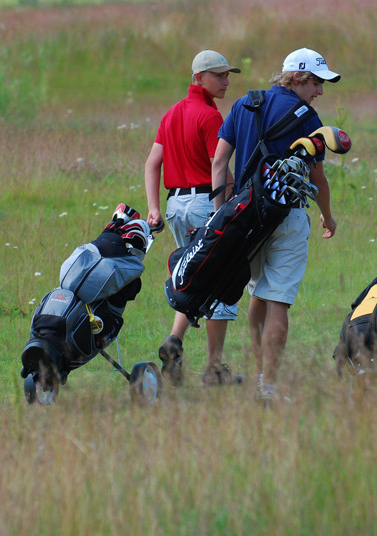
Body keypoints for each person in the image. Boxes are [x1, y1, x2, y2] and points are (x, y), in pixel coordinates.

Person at [212, 48, 340, 403]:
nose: (320, 91)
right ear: (297, 78)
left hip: (244, 218)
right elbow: (318, 177)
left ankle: (258, 376)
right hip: (288, 217)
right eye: (316, 82)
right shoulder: (307, 118)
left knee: (258, 294)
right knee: (278, 301)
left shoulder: (244, 104)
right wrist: (327, 215)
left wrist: (220, 214)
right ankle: (268, 387)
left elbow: (220, 161)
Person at [144, 50, 243, 387]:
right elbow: (220, 166)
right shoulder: (210, 117)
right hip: (206, 204)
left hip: (175, 207)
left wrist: (153, 208)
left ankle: (174, 341)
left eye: (228, 75)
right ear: (198, 78)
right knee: (222, 281)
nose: (226, 81)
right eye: (219, 75)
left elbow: (151, 163)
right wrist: (225, 210)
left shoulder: (171, 114)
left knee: (192, 279)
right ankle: (215, 369)